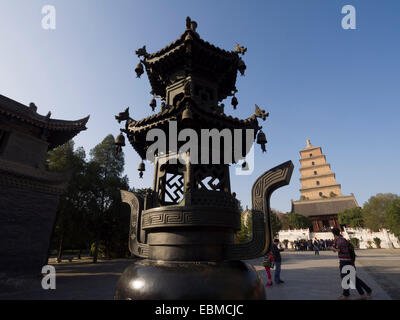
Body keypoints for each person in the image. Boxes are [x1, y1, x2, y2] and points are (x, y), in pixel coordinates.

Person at [330, 228, 372, 300]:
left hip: (346, 261)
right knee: (354, 278)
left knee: (346, 278)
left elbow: (344, 250)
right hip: (346, 261)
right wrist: (334, 248)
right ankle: (367, 290)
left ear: (333, 233)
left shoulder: (340, 240)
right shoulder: (339, 239)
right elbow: (338, 248)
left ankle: (349, 294)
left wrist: (335, 249)